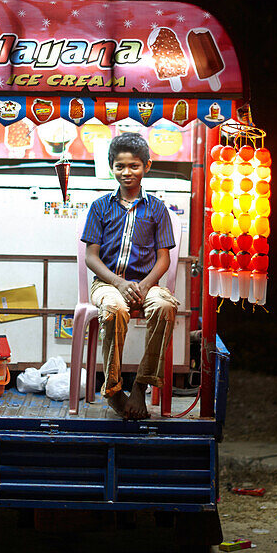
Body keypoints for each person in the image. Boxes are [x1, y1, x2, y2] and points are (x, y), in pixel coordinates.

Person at [81, 132, 178, 419]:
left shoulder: (157, 209)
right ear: (111, 167)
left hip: (147, 284)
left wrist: (145, 284)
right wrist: (119, 283)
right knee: (113, 309)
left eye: (134, 166)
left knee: (165, 305)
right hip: (108, 283)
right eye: (120, 166)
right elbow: (91, 257)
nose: (127, 172)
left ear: (146, 166)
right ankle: (113, 388)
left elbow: (164, 259)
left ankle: (140, 387)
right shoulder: (100, 206)